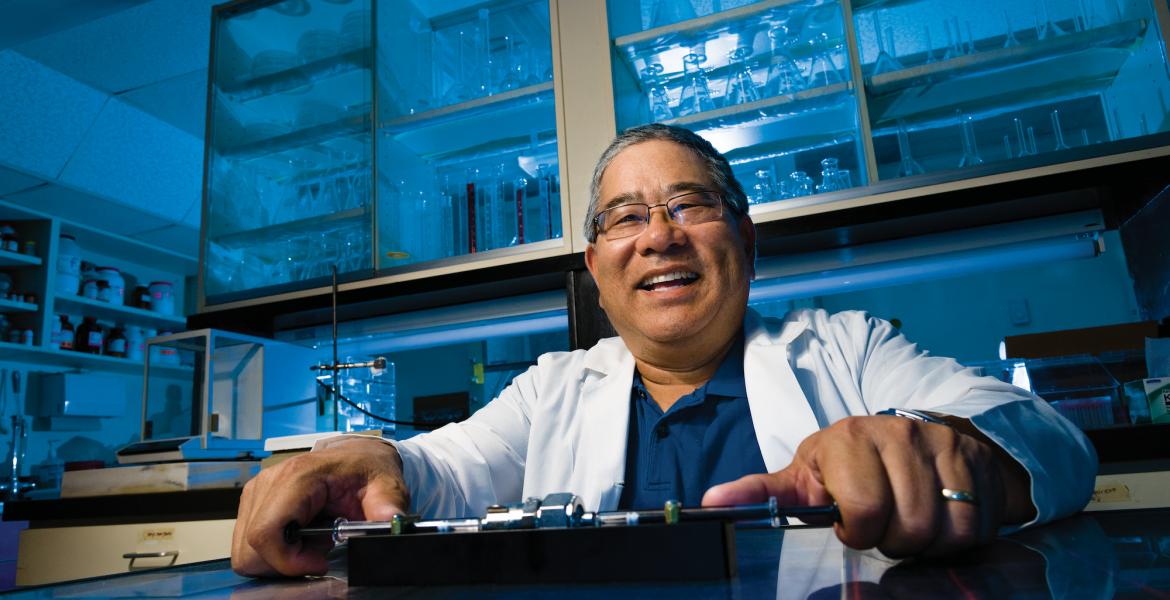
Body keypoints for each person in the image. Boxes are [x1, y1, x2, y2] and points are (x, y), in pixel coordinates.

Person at [232, 124, 1096, 577]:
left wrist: (952, 450)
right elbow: (442, 469)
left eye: (691, 205)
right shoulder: (552, 389)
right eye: (625, 218)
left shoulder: (845, 351)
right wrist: (365, 456)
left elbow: (1042, 433)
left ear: (747, 242)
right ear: (597, 276)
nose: (659, 236)